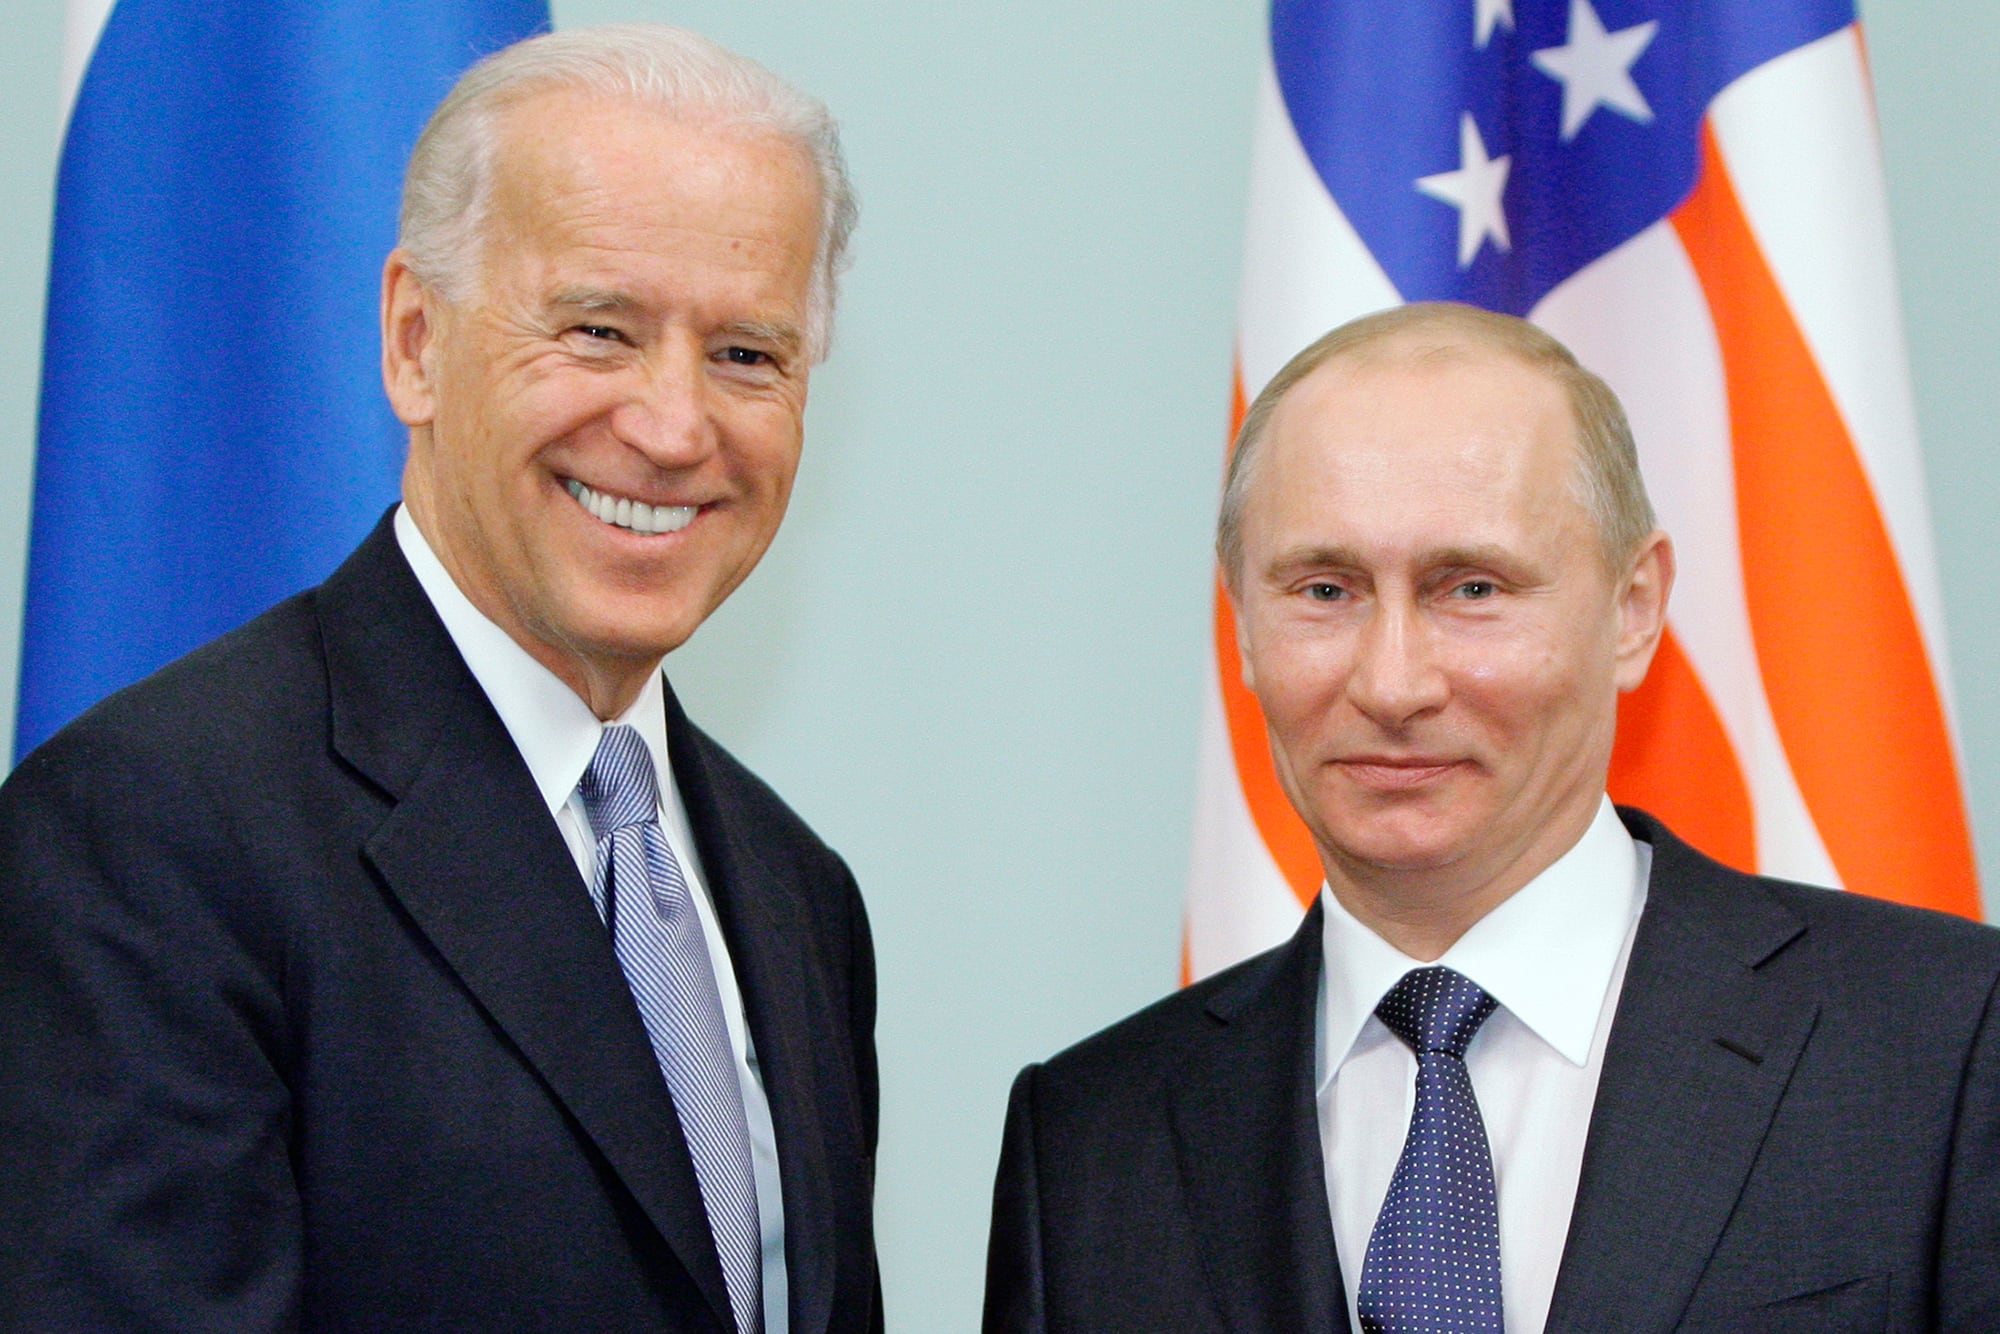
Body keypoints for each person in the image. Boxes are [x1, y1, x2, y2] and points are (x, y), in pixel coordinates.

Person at [0, 25, 879, 1334]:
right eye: (600, 330)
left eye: (746, 354)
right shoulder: (150, 831)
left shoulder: (801, 894)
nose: (674, 424)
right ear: (416, 340)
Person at [983, 303, 2000, 1333]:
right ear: (1241, 622)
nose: (1390, 682)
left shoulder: (1949, 1044)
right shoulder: (1085, 1140)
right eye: (1325, 589)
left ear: (1632, 606)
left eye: (1470, 586)